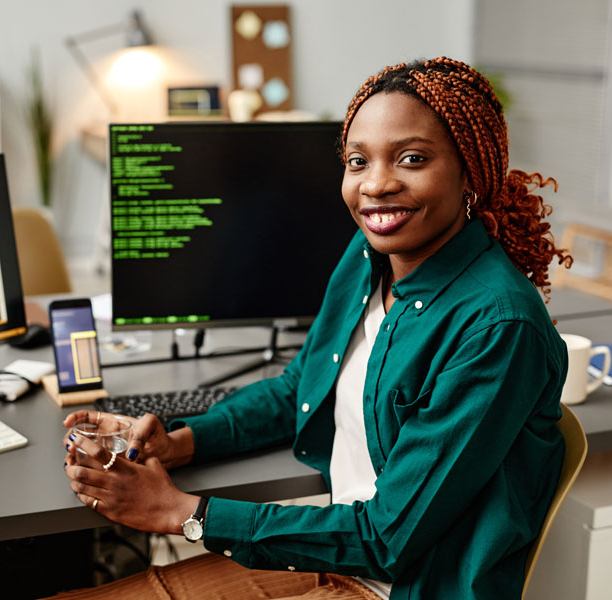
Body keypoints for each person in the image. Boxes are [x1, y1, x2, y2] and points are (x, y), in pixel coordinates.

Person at [57, 57, 573, 600]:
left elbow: (386, 538)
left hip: (394, 586)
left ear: (471, 171)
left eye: (412, 159)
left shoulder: (497, 327)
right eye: (357, 161)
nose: (376, 184)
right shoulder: (370, 256)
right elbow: (300, 389)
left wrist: (182, 512)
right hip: (335, 555)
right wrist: (181, 443)